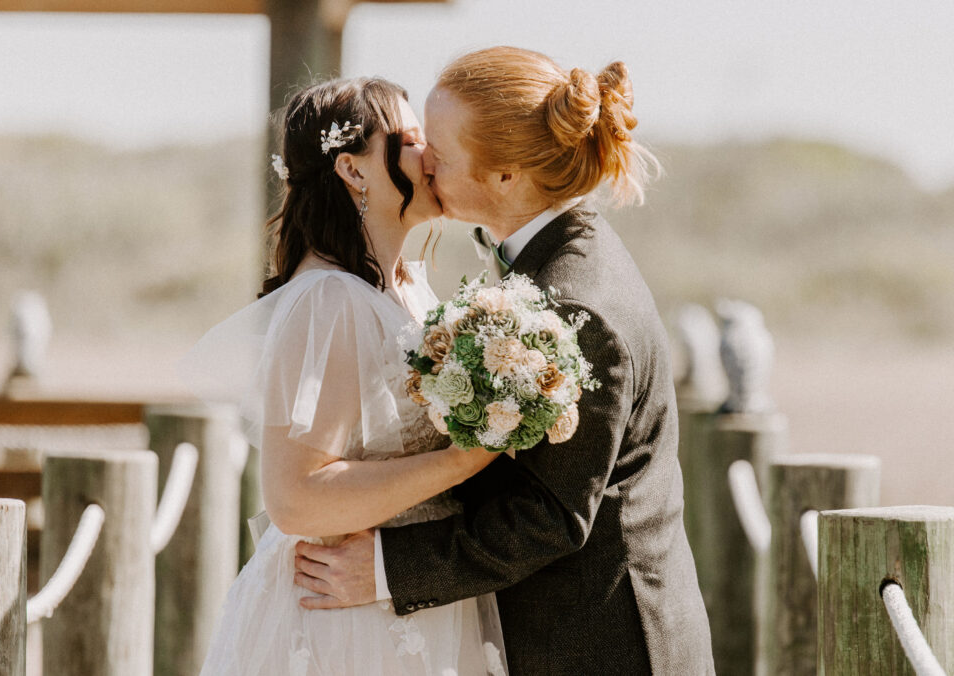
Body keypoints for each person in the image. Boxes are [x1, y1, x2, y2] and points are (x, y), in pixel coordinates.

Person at [293, 47, 715, 674]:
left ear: (507, 176)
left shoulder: (579, 306)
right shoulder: (540, 253)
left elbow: (549, 514)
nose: (421, 160)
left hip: (601, 645)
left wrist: (386, 568)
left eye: (439, 149)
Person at [180, 76, 508, 675]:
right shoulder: (328, 300)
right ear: (354, 171)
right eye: (410, 139)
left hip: (411, 596)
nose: (430, 155)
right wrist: (465, 459)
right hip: (344, 618)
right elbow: (296, 498)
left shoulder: (403, 285)